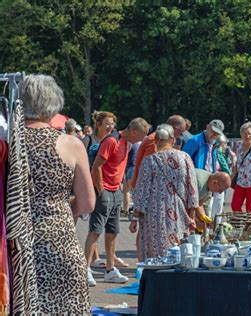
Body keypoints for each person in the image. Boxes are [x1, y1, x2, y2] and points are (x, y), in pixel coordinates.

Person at [19, 74, 95, 313]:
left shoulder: (7, 142)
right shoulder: (70, 144)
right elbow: (87, 203)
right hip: (59, 241)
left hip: (15, 244)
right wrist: (61, 209)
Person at [84, 117, 150, 286]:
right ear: (134, 132)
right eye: (141, 136)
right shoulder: (112, 141)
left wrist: (120, 186)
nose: (141, 140)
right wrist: (101, 191)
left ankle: (110, 269)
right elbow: (96, 167)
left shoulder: (127, 144)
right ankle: (85, 270)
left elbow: (119, 166)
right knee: (95, 230)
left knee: (112, 231)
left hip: (116, 191)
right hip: (104, 191)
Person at [132, 124, 199, 259]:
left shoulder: (149, 161)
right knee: (177, 248)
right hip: (179, 212)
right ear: (173, 140)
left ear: (155, 141)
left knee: (155, 250)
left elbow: (141, 192)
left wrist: (135, 217)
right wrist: (191, 216)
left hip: (154, 213)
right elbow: (192, 189)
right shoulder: (185, 158)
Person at [183, 119, 228, 224]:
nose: (214, 135)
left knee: (204, 217)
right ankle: (192, 237)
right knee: (193, 216)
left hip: (208, 185)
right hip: (195, 183)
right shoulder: (194, 141)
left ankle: (202, 238)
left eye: (217, 134)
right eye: (213, 131)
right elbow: (183, 161)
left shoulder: (215, 144)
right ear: (207, 127)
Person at [130, 115, 186, 188]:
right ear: (175, 128)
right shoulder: (157, 140)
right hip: (147, 188)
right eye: (181, 132)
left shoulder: (158, 138)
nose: (180, 136)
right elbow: (148, 168)